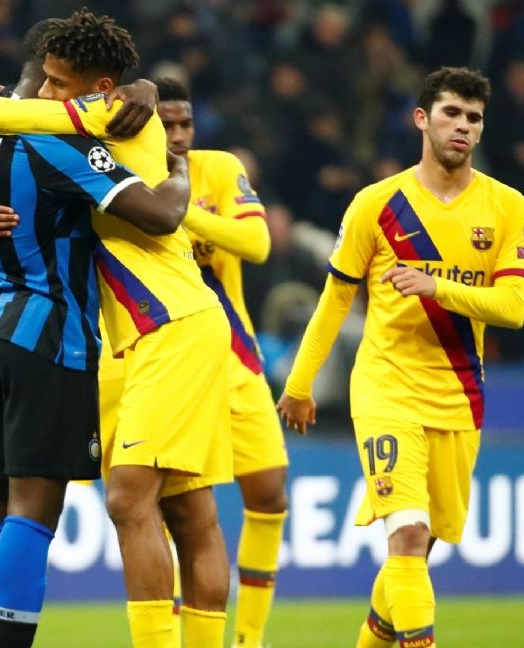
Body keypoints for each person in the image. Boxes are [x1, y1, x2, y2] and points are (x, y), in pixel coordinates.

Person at [0, 10, 235, 647]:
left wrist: (179, 163)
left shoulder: (108, 123)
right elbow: (5, 125)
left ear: (101, 88)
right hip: (119, 335)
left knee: (128, 499)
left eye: (62, 84)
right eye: (47, 81)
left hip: (174, 324)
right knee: (187, 511)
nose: (50, 95)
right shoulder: (66, 129)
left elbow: (161, 216)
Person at [276, 67, 524, 648]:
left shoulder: (507, 206)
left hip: (459, 394)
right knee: (408, 536)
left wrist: (436, 287)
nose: (463, 126)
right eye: (451, 113)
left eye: (473, 118)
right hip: (386, 388)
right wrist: (299, 383)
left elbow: (514, 308)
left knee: (416, 552)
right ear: (422, 119)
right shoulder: (376, 205)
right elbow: (334, 300)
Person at [154, 77, 290, 648]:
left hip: (234, 355)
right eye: (166, 124)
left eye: (185, 123)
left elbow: (257, 244)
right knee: (176, 512)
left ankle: (249, 640)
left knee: (270, 493)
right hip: (164, 362)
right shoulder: (123, 174)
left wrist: (180, 214)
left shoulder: (219, 168)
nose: (179, 134)